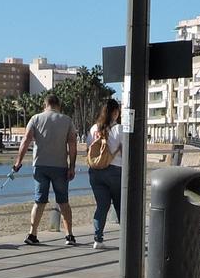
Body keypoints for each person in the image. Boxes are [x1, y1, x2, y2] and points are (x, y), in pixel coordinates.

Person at [12, 92, 78, 247]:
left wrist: (18, 162)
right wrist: (72, 166)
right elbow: (73, 145)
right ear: (58, 105)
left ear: (45, 105)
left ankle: (32, 234)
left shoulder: (35, 118)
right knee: (63, 202)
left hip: (40, 166)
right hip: (60, 166)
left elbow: (26, 141)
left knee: (39, 201)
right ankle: (69, 236)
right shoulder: (67, 120)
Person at [85, 98, 124, 251]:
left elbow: (88, 148)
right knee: (121, 206)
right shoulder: (119, 129)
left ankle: (97, 239)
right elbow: (126, 151)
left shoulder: (95, 128)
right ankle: (127, 239)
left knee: (102, 206)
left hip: (95, 171)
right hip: (115, 170)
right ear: (115, 112)